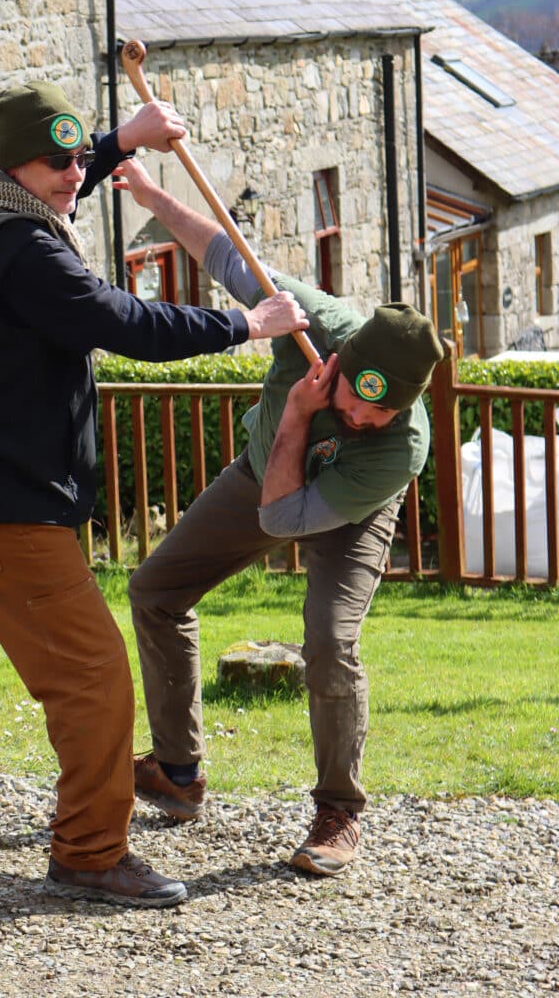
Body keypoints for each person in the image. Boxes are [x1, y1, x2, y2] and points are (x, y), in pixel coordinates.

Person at [0, 82, 309, 908]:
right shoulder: (30, 254)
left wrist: (127, 137)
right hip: (3, 506)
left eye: (78, 157)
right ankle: (89, 850)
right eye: (56, 162)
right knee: (93, 675)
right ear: (16, 165)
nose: (71, 175)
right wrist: (246, 325)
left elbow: (70, 169)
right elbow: (127, 323)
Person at [114, 158, 444, 877]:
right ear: (344, 355)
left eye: (376, 411)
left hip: (341, 509)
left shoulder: (398, 450)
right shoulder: (315, 323)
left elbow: (289, 520)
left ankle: (338, 812)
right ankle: (176, 771)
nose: (358, 415)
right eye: (354, 396)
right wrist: (150, 194)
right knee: (155, 591)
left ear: (404, 407)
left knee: (328, 640)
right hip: (261, 475)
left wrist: (300, 413)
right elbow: (225, 253)